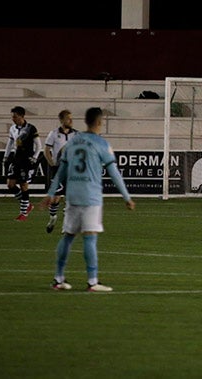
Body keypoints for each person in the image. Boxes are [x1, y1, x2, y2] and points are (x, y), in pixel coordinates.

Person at [41, 106, 135, 292]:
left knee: (68, 236)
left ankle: (58, 279)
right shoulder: (101, 144)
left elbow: (60, 171)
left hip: (72, 195)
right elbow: (114, 172)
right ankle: (92, 281)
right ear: (100, 122)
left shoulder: (73, 142)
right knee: (90, 238)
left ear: (85, 121)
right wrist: (126, 197)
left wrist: (51, 192)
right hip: (91, 196)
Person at [4, 105, 42, 221]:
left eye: (15, 117)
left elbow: (38, 145)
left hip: (27, 160)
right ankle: (27, 205)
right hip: (16, 159)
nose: (13, 119)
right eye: (12, 117)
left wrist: (35, 157)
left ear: (21, 116)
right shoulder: (12, 129)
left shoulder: (31, 128)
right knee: (10, 184)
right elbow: (10, 143)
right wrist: (6, 156)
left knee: (23, 185)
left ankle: (23, 213)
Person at [43, 109, 77, 233]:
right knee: (55, 198)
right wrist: (52, 165)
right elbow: (46, 150)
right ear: (62, 120)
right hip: (58, 169)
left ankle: (66, 225)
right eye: (68, 118)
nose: (71, 121)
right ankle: (53, 217)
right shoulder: (54, 134)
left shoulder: (76, 135)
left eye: (71, 118)